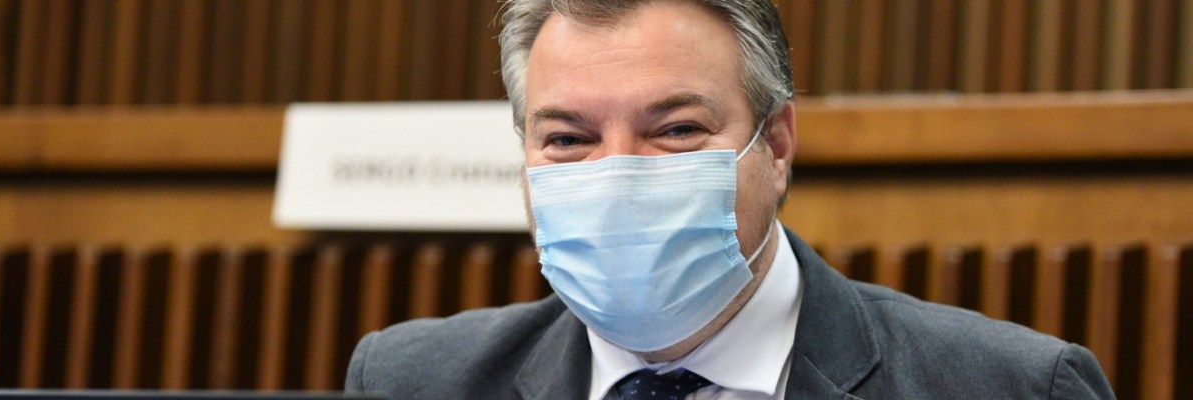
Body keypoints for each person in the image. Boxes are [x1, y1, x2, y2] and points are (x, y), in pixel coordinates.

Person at [345, 0, 1115, 398]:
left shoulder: (1013, 387)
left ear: (775, 146)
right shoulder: (410, 381)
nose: (618, 176)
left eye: (676, 130)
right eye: (569, 138)